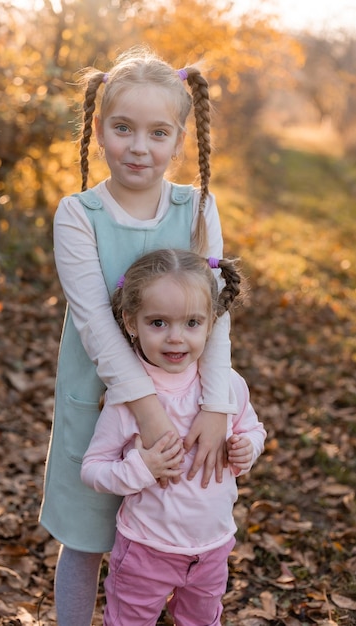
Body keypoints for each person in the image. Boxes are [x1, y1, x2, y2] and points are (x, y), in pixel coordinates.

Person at [39, 46, 238, 626]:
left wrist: (217, 405)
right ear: (99, 130)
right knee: (86, 536)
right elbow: (97, 324)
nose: (139, 147)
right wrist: (146, 412)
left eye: (157, 133)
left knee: (169, 538)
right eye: (123, 128)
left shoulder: (198, 208)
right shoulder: (78, 214)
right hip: (100, 398)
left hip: (187, 401)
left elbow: (217, 312)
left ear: (178, 141)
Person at [81, 248, 266, 626]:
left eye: (192, 323)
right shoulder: (131, 398)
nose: (176, 339)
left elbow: (252, 429)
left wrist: (248, 450)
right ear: (132, 322)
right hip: (147, 548)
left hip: (213, 546)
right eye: (159, 323)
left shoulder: (225, 386)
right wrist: (140, 468)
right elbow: (92, 469)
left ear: (212, 322)